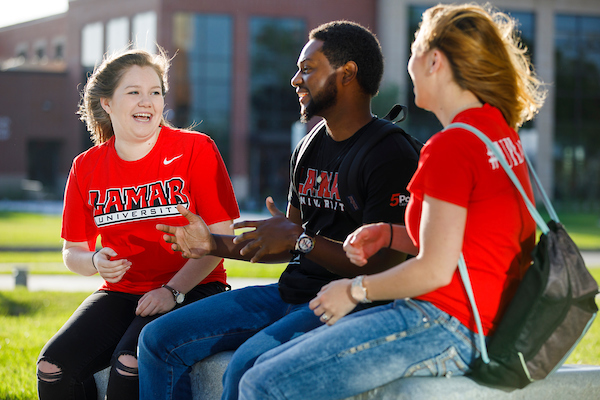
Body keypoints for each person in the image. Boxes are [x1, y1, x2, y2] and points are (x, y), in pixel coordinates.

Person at [236, 4, 547, 399]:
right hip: (481, 320)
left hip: (444, 323)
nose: (409, 63)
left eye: (414, 51)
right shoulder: (496, 133)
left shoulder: (451, 146)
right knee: (263, 367)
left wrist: (353, 291)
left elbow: (435, 269)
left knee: (262, 382)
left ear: (435, 61)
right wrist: (390, 233)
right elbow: (467, 240)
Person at [138, 21, 419, 399]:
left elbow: (384, 264)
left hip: (348, 305)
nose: (294, 80)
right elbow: (284, 241)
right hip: (289, 293)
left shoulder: (390, 153)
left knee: (246, 366)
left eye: (307, 69)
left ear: (347, 73)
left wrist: (301, 241)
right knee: (157, 339)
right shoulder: (308, 146)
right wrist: (211, 243)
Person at [36, 48, 240, 400]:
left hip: (194, 289)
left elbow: (221, 236)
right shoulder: (86, 167)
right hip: (122, 292)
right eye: (134, 92)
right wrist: (95, 261)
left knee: (129, 363)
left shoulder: (196, 149)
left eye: (155, 92)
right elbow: (73, 252)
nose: (148, 101)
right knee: (52, 368)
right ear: (107, 104)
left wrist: (172, 291)